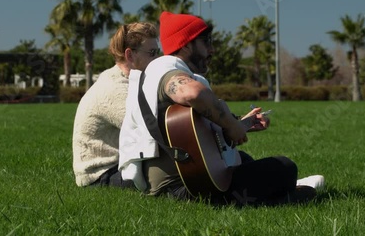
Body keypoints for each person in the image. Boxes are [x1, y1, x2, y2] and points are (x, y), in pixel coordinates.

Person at [119, 12, 324, 206]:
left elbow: (193, 133)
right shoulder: (165, 69)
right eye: (206, 42)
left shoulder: (156, 72)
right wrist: (230, 124)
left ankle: (280, 193)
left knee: (243, 160)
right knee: (284, 167)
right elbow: (193, 93)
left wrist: (242, 124)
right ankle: (284, 194)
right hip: (185, 186)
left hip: (184, 179)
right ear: (187, 45)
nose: (212, 50)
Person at [72, 22, 160, 188]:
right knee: (168, 176)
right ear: (130, 55)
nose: (157, 59)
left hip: (120, 164)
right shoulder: (115, 89)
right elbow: (151, 130)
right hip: (100, 174)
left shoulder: (131, 82)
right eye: (152, 53)